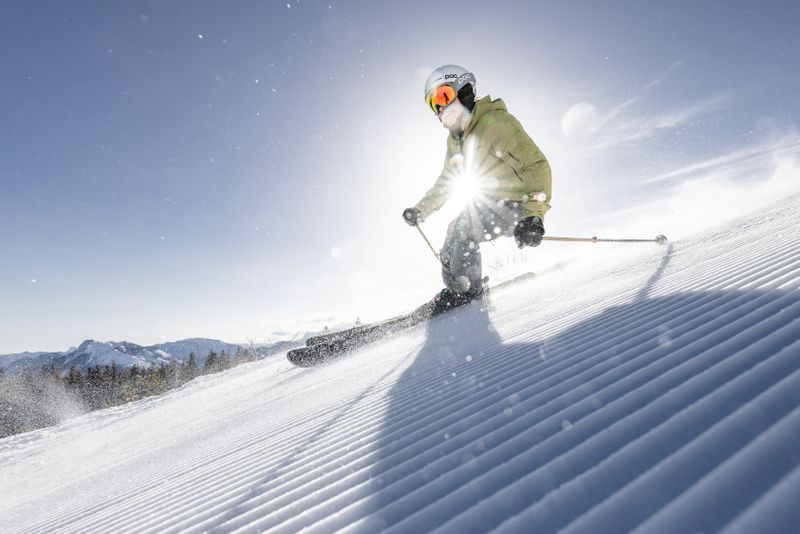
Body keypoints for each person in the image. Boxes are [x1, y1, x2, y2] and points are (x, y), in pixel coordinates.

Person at [402, 64, 552, 313]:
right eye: (433, 103)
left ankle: (466, 292)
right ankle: (459, 287)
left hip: (518, 206)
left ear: (465, 91)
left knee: (462, 231)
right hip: (492, 204)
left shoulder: (496, 123)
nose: (440, 108)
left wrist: (533, 216)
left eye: (443, 97)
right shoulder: (456, 139)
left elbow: (536, 165)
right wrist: (421, 211)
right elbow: (447, 181)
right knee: (453, 231)